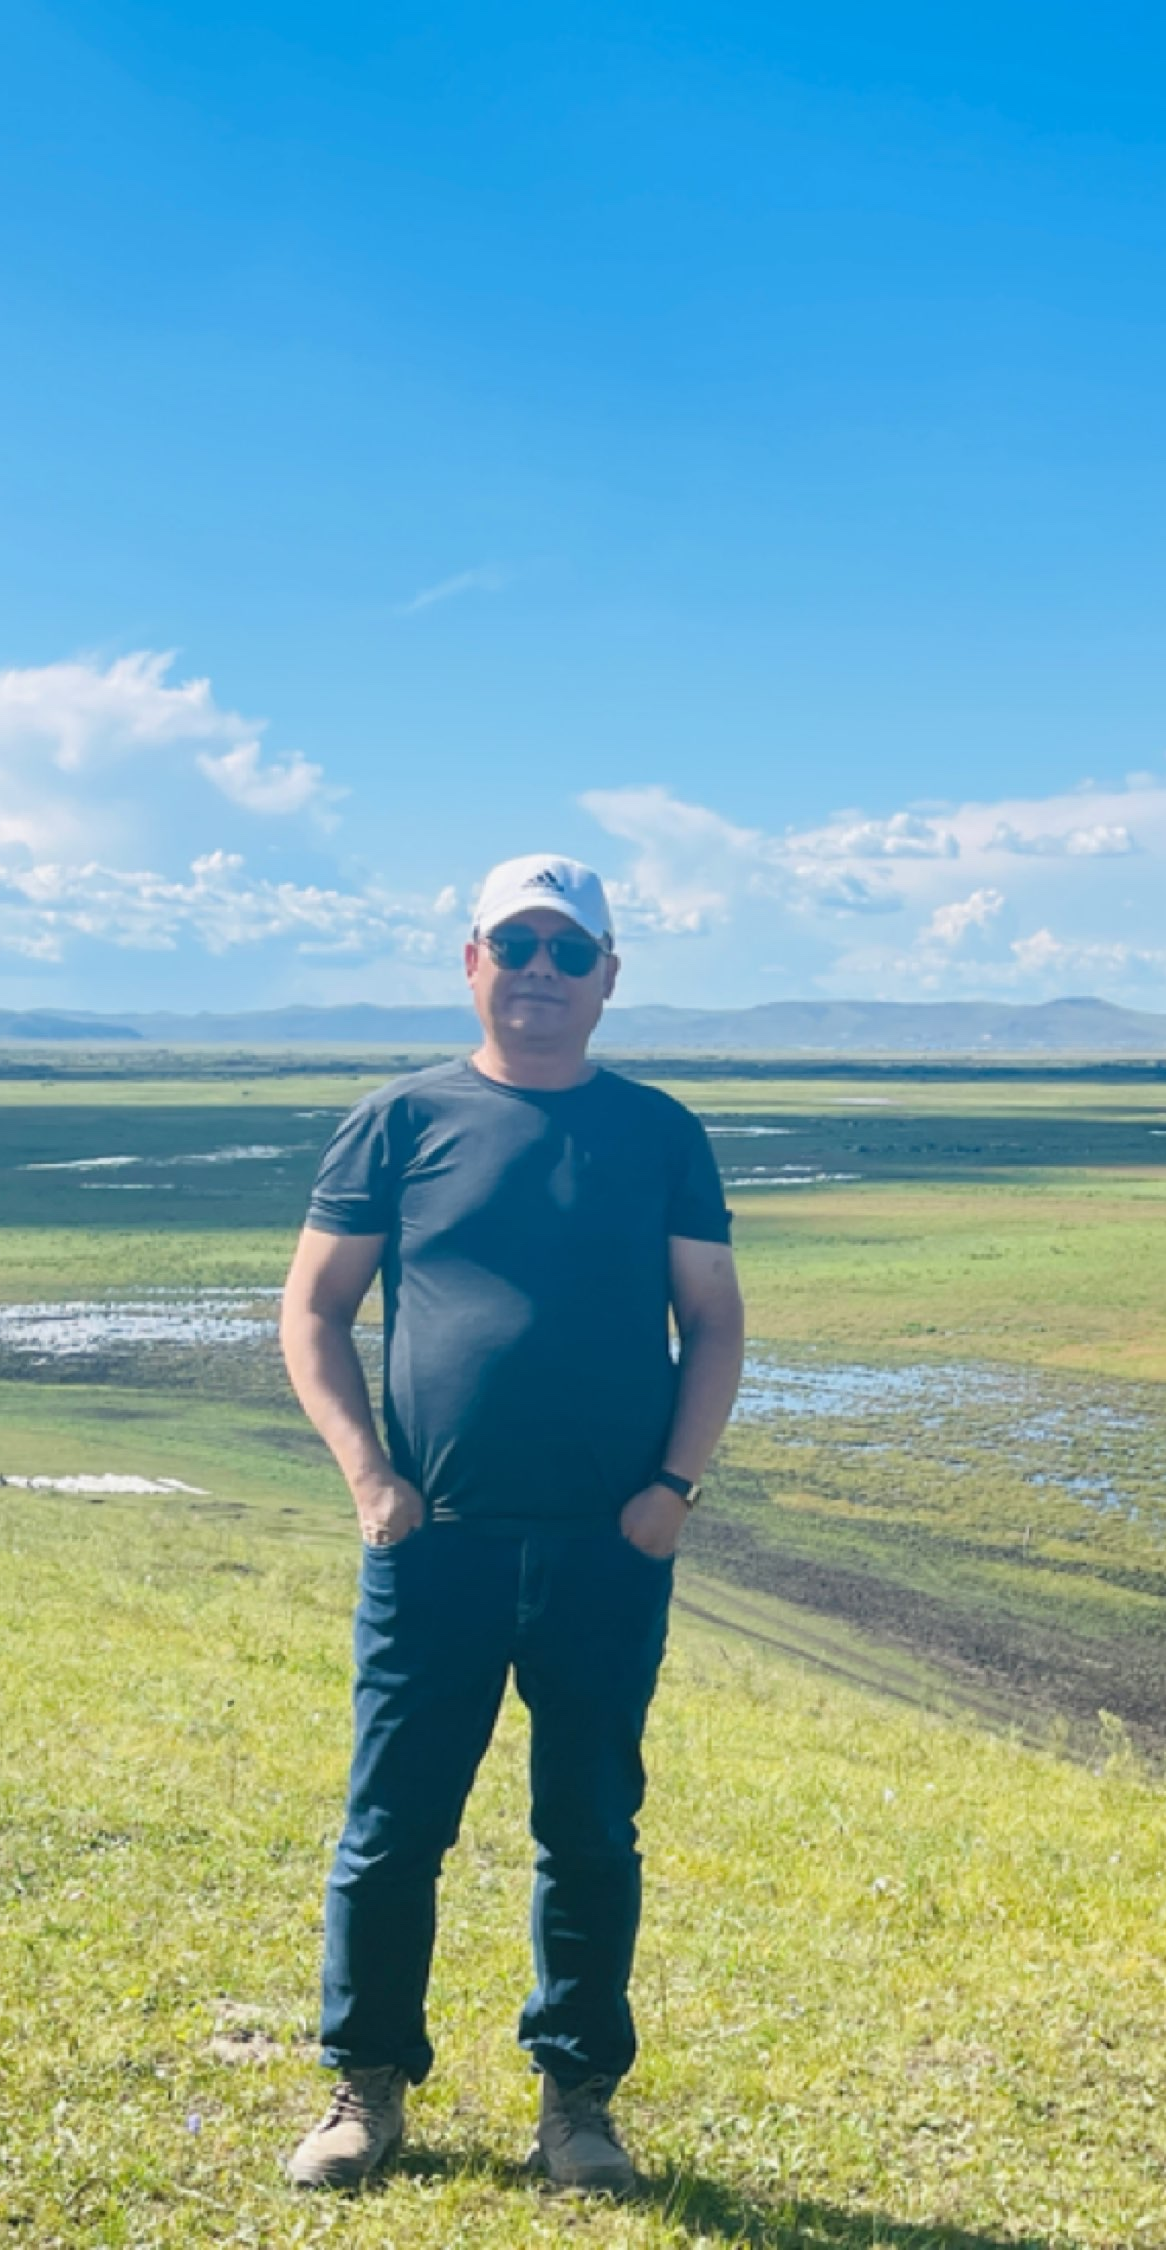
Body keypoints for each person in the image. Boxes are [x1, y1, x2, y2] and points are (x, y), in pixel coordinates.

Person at [277, 852, 745, 2195]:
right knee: (390, 1825)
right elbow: (314, 1310)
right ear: (469, 959)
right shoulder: (399, 1120)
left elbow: (710, 1321)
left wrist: (670, 1495)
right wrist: (371, 1478)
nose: (540, 971)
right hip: (436, 1545)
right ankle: (364, 2092)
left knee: (590, 1827)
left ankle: (577, 2104)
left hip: (609, 1547)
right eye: (515, 945)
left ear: (608, 972)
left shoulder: (658, 1131)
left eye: (566, 947)